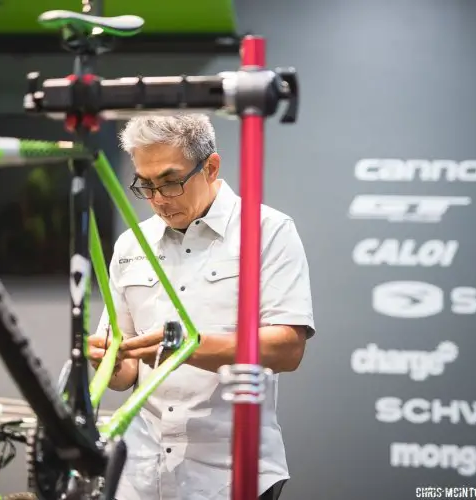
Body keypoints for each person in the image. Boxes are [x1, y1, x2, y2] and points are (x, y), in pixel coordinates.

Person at [89, 114, 315, 500]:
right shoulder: (130, 245)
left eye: (171, 182)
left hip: (233, 472)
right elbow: (126, 373)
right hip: (140, 473)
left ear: (210, 167)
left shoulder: (267, 231)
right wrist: (107, 359)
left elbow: (287, 348)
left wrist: (187, 347)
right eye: (146, 185)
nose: (158, 199)